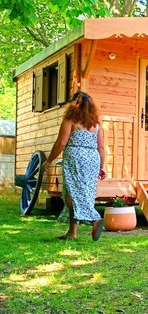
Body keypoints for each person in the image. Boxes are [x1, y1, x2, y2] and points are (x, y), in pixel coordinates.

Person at [45, 91, 106, 240]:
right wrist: (102, 167)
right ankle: (72, 232)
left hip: (75, 158)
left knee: (71, 194)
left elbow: (61, 143)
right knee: (83, 193)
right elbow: (101, 148)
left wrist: (49, 160)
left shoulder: (70, 120)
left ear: (73, 105)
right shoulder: (96, 125)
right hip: (92, 160)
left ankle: (94, 220)